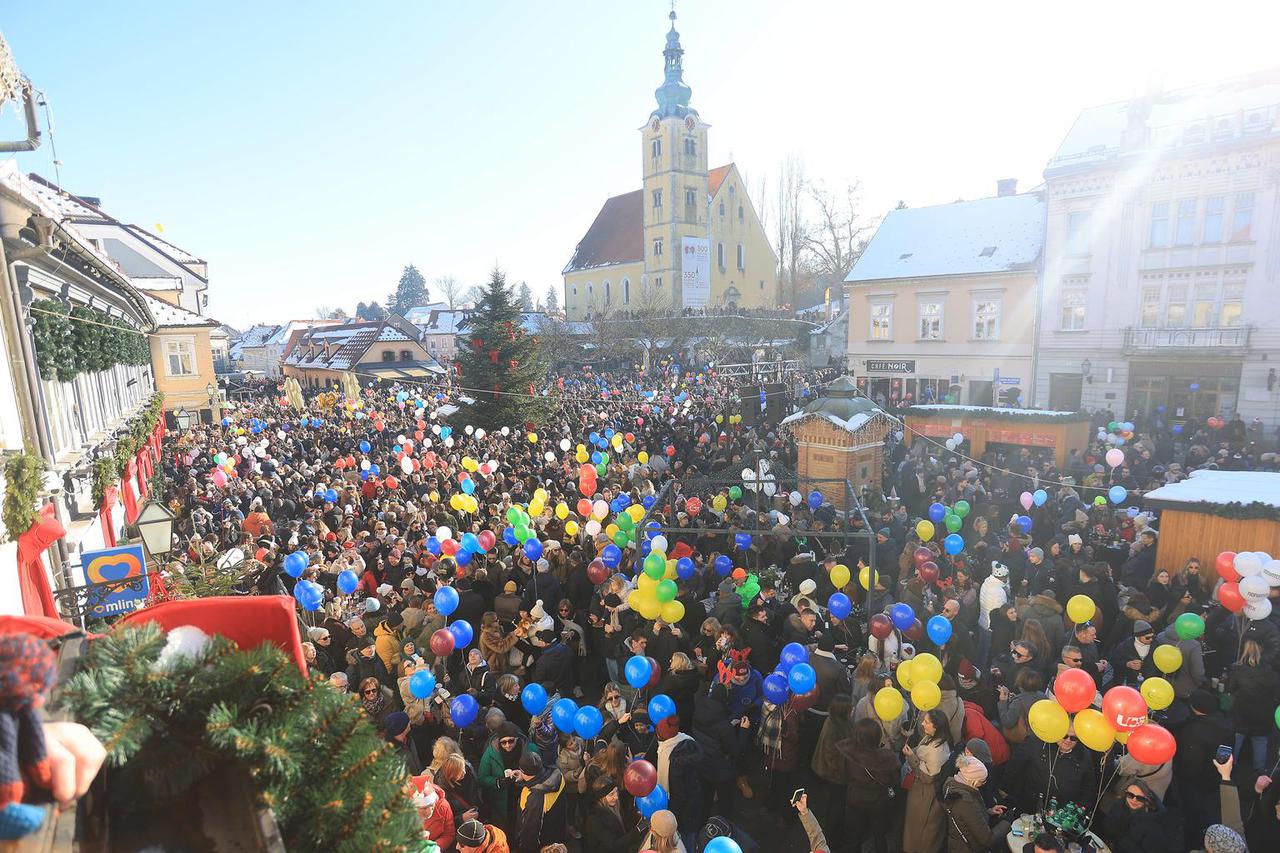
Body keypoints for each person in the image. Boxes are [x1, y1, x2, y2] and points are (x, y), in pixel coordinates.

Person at [837, 717, 900, 853]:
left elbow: (843, 775)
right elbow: (895, 781)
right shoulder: (888, 758)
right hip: (879, 802)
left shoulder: (849, 753)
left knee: (852, 836)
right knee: (879, 835)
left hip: (855, 800)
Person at [902, 707, 953, 853]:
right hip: (920, 791)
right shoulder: (932, 738)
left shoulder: (937, 751)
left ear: (936, 726)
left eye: (926, 722)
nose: (923, 724)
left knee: (921, 830)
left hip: (926, 795)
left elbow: (927, 777)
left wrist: (911, 756)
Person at [1227, 639, 1280, 774]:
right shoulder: (1273, 674)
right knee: (1260, 743)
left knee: (1236, 741)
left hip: (1241, 712)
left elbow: (1229, 688)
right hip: (1263, 714)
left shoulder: (1237, 669)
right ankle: (1260, 773)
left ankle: (1230, 770)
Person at [941, 754, 1010, 852]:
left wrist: (989, 812)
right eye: (982, 781)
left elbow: (969, 818)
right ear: (972, 781)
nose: (984, 783)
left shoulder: (954, 786)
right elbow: (987, 839)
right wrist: (1007, 823)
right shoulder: (965, 801)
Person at [1102, 778, 1181, 851]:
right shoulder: (1121, 804)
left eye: (1140, 798)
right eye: (1130, 795)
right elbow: (1108, 824)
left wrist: (1122, 840)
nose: (1134, 800)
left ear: (1147, 799)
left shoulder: (1155, 823)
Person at [582, 777, 647, 853]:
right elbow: (613, 845)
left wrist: (637, 816)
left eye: (616, 792)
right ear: (601, 797)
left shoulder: (616, 806)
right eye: (611, 794)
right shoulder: (594, 819)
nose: (616, 797)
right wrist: (638, 830)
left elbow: (625, 826)